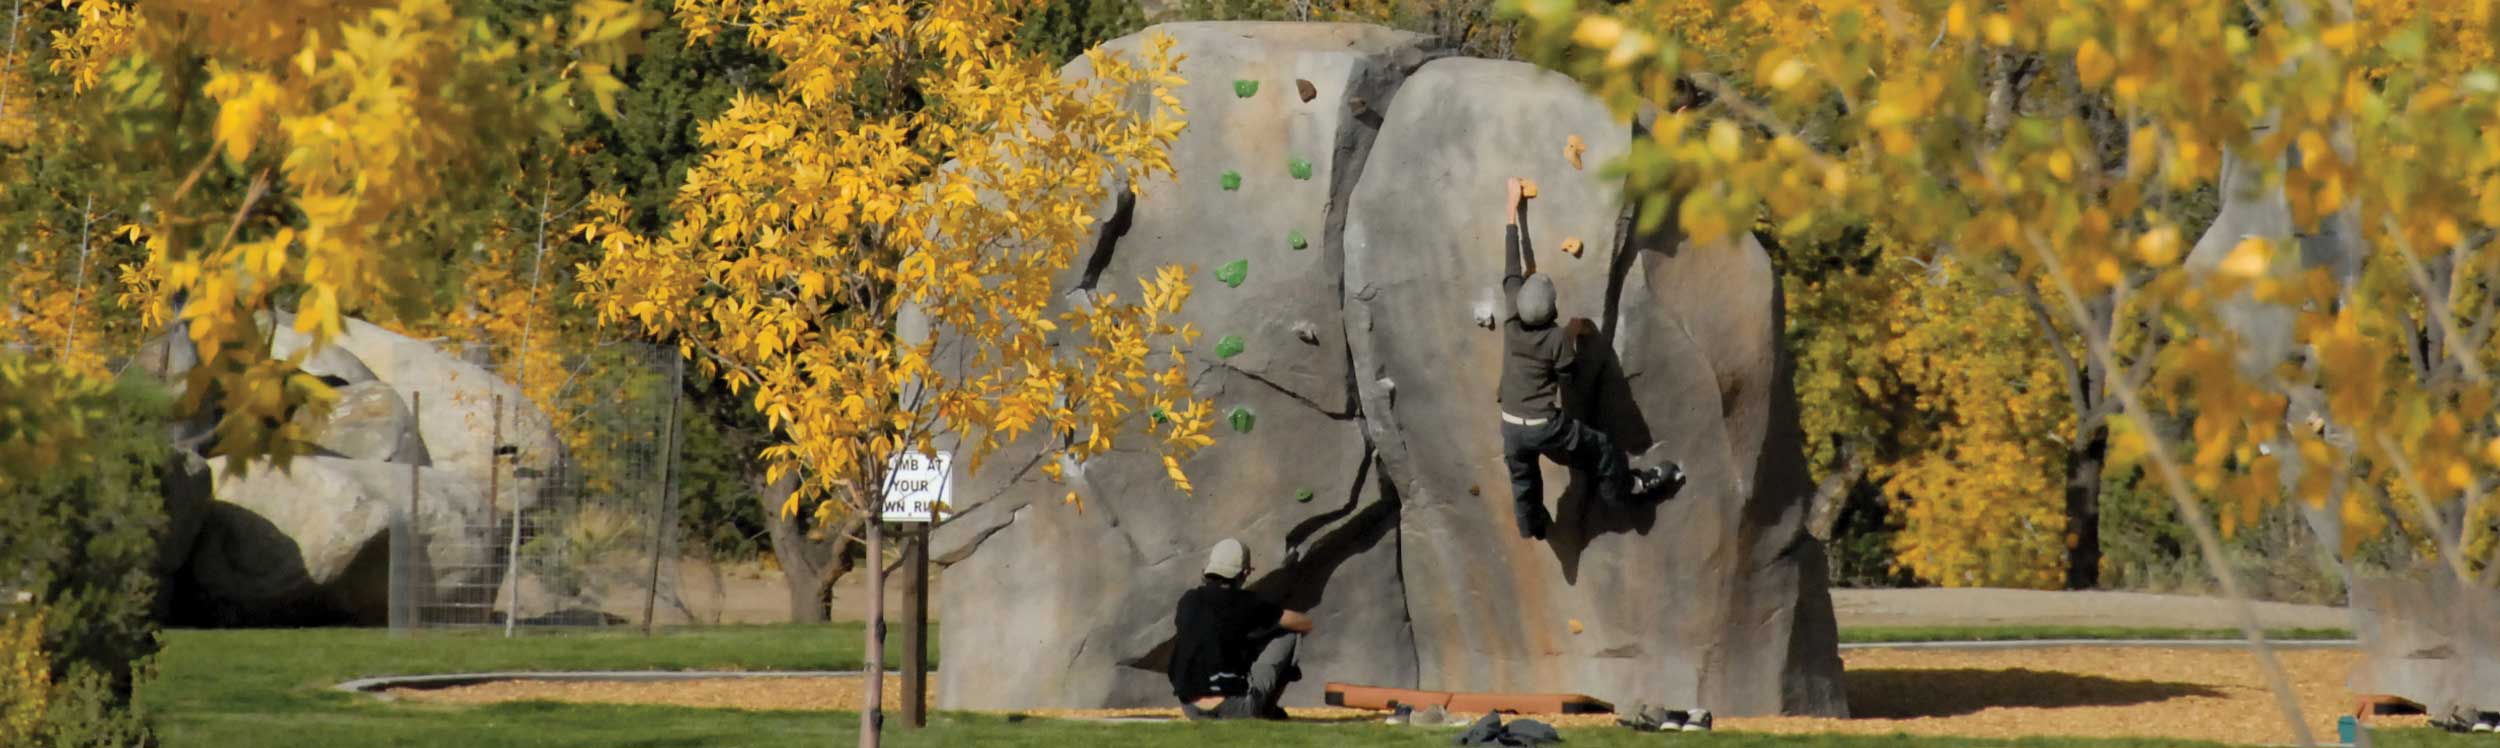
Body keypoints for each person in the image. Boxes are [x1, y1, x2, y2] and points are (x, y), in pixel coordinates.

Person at [1494, 177, 1681, 540]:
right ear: (1552, 313)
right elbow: (1570, 379)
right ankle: (1625, 492)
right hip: (1543, 427)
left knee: (1522, 476)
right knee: (1602, 447)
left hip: (1510, 425)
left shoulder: (1511, 321)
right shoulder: (1555, 341)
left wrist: (1511, 207)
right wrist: (1575, 337)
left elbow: (1512, 265)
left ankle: (1531, 525)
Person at [1169, 538, 1312, 720]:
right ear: (1244, 573)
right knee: (1289, 635)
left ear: (1208, 570)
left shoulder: (1187, 600)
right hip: (1235, 707)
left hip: (1190, 707)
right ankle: (1265, 711)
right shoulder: (1247, 603)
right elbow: (1303, 622)